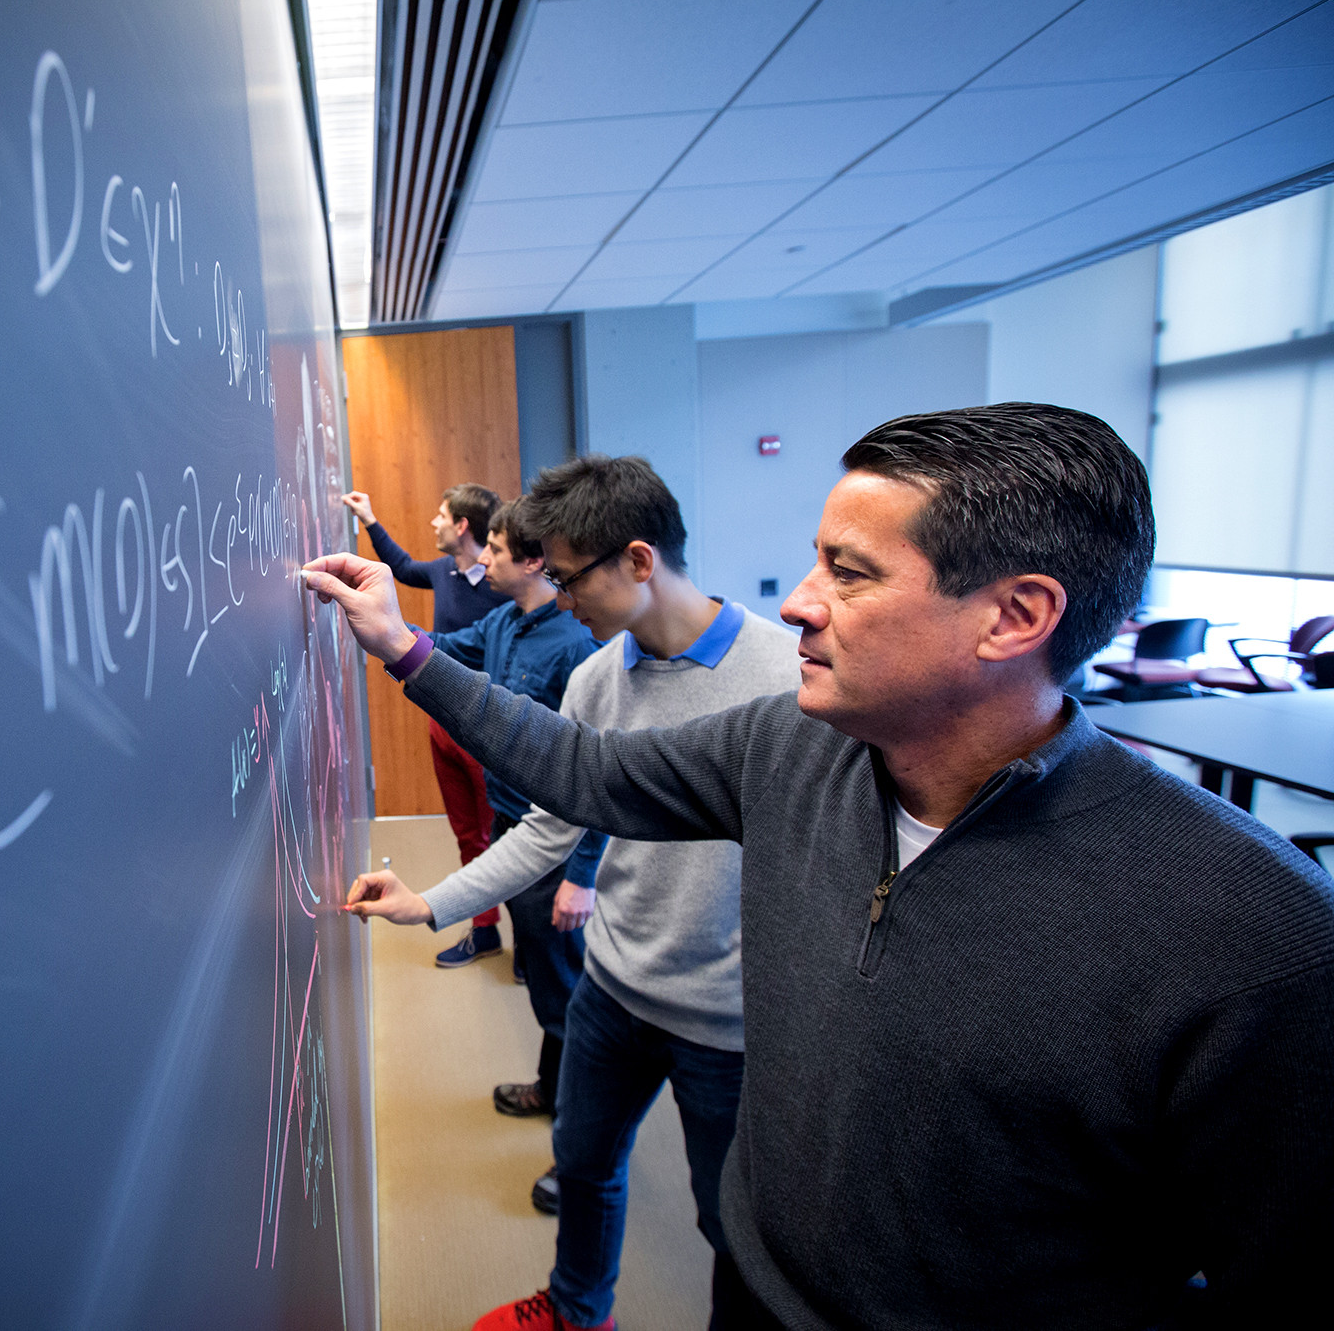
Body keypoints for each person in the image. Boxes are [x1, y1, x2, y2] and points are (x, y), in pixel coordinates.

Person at [309, 404, 1334, 1330]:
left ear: (1013, 616)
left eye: (847, 572)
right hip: (752, 1292)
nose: (796, 602)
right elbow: (582, 770)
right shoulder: (784, 746)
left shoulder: (1254, 934)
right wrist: (403, 649)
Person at [346, 456, 800, 1330]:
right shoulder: (598, 677)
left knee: (731, 1226)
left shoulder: (786, 682)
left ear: (638, 560)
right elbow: (551, 828)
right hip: (615, 992)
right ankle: (577, 1309)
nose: (554, 592)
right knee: (583, 1164)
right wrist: (432, 901)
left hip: (730, 1025)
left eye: (565, 573)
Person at [425, 497, 607, 1129]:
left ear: (533, 562)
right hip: (514, 825)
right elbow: (442, 646)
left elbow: (596, 776)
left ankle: (571, 1109)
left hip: (553, 845)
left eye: (497, 551)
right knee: (547, 974)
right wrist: (380, 624)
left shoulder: (576, 648)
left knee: (563, 989)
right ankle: (556, 1090)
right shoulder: (503, 623)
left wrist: (582, 875)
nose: (487, 561)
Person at [341, 483, 511, 965]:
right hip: (445, 723)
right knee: (467, 833)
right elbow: (403, 567)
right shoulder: (443, 571)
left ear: (462, 526)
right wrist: (370, 519)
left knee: (502, 832)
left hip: (486, 725)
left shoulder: (503, 591)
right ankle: (485, 930)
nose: (434, 523)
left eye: (441, 515)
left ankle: (535, 942)